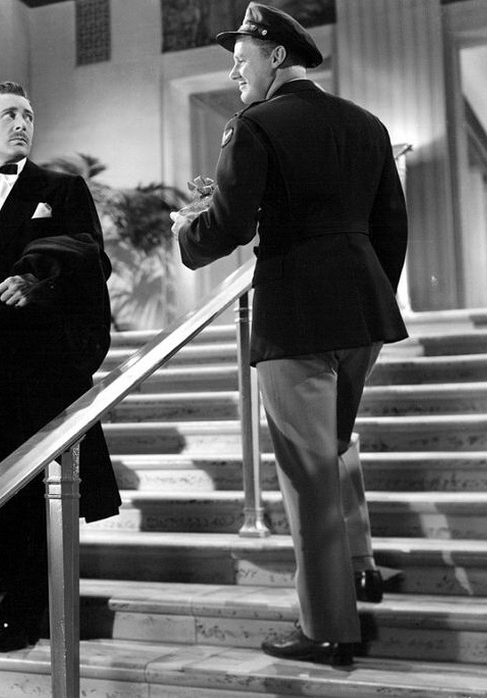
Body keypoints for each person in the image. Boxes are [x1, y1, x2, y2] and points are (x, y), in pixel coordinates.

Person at [171, 3, 408, 666]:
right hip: (362, 314)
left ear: (276, 55)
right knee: (334, 444)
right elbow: (391, 227)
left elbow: (230, 225)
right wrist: (370, 299)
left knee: (306, 473)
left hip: (295, 315)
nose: (234, 74)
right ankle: (359, 568)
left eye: (240, 60)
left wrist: (186, 233)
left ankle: (327, 627)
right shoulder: (367, 123)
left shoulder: (254, 124)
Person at [0, 81, 121, 653]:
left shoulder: (61, 188)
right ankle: (12, 562)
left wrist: (38, 281)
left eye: (29, 115)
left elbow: (92, 257)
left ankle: (22, 609)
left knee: (34, 486)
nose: (22, 123)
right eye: (9, 114)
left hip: (37, 361)